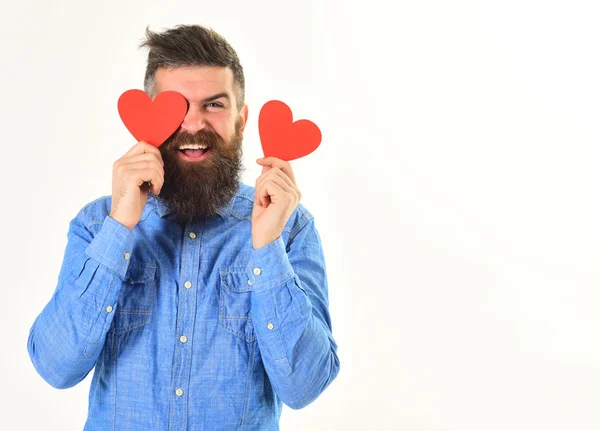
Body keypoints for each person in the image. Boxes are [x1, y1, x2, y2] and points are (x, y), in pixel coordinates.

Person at [27, 24, 340, 430]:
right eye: (176, 105)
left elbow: (305, 386)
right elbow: (56, 367)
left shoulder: (290, 227)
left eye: (213, 105)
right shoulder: (96, 226)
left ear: (241, 121)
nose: (193, 124)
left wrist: (267, 248)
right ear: (147, 117)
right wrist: (119, 227)